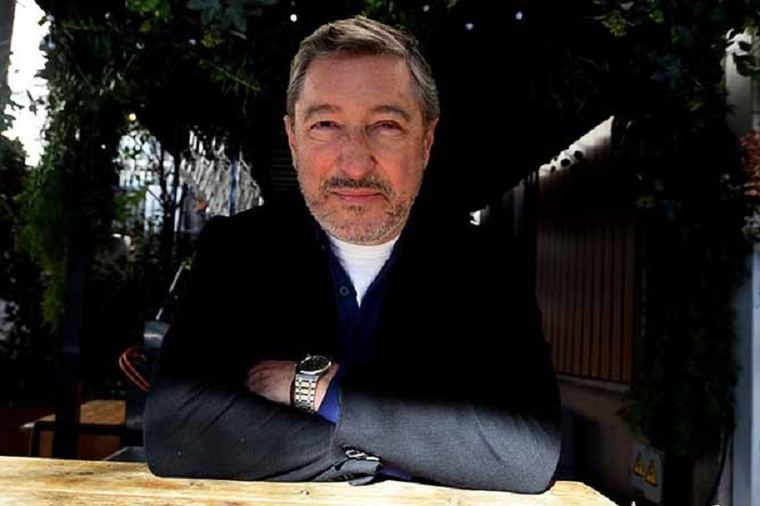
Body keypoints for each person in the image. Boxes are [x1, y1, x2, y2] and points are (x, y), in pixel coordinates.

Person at [144, 15, 561, 493]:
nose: (356, 163)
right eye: (326, 124)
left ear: (426, 142)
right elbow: (175, 428)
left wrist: (319, 390)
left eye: (386, 125)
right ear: (293, 139)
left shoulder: (486, 266)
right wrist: (394, 449)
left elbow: (527, 452)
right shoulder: (236, 252)